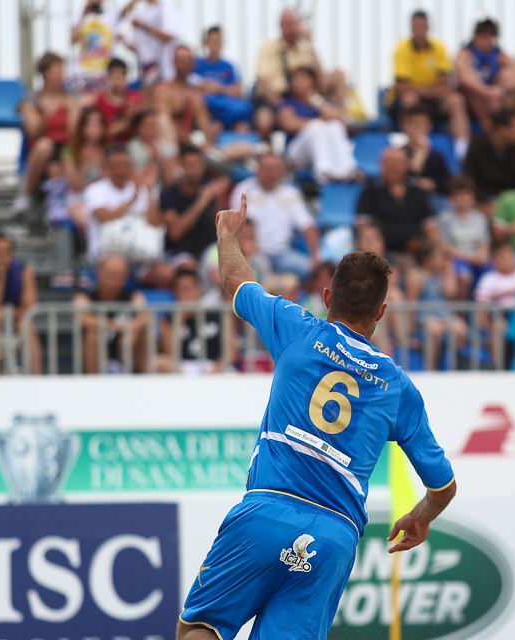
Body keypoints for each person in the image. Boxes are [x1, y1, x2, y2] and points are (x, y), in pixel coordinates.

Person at [177, 196, 456, 639]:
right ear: (381, 313)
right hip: (332, 537)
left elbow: (236, 279)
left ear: (327, 297)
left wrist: (227, 235)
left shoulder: (298, 330)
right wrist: (421, 516)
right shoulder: (398, 387)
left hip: (267, 509)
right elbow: (443, 486)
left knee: (202, 628)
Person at [83, 145, 169, 286]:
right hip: (107, 255)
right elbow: (104, 217)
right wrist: (133, 198)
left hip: (140, 256)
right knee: (117, 267)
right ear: (106, 167)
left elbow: (156, 223)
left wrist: (149, 190)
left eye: (125, 165)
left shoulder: (142, 188)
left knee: (166, 274)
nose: (121, 170)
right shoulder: (96, 189)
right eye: (116, 165)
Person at [390, 10, 470, 161]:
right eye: (416, 26)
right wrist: (431, 89)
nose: (419, 30)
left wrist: (417, 87)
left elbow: (443, 84)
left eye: (422, 26)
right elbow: (401, 87)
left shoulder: (439, 48)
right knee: (409, 99)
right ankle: (411, 147)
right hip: (415, 100)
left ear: (428, 28)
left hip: (433, 102)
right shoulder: (401, 49)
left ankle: (462, 151)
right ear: (411, 28)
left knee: (456, 100)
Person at [229, 154, 319, 278]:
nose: (271, 173)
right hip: (255, 253)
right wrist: (246, 249)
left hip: (283, 253)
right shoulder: (244, 190)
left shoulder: (291, 194)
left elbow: (308, 226)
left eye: (276, 168)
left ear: (282, 172)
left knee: (310, 269)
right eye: (267, 168)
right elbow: (233, 224)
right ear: (258, 170)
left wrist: (315, 256)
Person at [13, 52, 79, 213]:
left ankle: (61, 207)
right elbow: (34, 131)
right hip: (41, 150)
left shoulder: (71, 98)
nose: (62, 74)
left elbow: (74, 131)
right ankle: (25, 195)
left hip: (65, 148)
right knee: (45, 145)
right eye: (57, 69)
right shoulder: (31, 99)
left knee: (61, 162)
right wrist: (46, 116)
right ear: (45, 73)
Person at [254, 8, 348, 114]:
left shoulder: (305, 48)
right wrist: (280, 105)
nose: (292, 29)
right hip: (279, 97)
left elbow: (320, 79)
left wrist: (309, 43)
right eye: (288, 25)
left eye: (294, 24)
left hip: (304, 96)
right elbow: (263, 81)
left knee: (340, 74)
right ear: (281, 26)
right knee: (265, 118)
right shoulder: (269, 47)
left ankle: (342, 114)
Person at [0, 232, 41, 374]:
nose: (0, 257)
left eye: (4, 252)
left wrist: (7, 314)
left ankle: (35, 380)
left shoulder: (24, 271)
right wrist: (0, 278)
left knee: (28, 328)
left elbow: (31, 309)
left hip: (13, 321)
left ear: (11, 254)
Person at [73, 253, 150, 374]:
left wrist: (134, 328)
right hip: (96, 359)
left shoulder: (134, 296)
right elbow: (81, 317)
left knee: (143, 333)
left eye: (120, 274)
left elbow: (145, 317)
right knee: (93, 335)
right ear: (99, 273)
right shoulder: (85, 297)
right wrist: (114, 326)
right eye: (111, 273)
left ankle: (143, 378)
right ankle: (93, 381)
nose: (115, 278)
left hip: (129, 354)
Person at [280, 66, 357, 183]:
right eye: (294, 78)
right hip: (296, 152)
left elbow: (340, 118)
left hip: (321, 149)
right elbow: (289, 124)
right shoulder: (288, 102)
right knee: (316, 127)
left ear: (312, 81)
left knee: (335, 126)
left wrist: (313, 99)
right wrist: (318, 120)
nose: (298, 82)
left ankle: (346, 170)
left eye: (303, 77)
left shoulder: (320, 100)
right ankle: (324, 172)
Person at [157, 266, 237, 374]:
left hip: (213, 366)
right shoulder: (168, 320)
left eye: (188, 289)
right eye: (181, 290)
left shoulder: (218, 314)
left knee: (230, 372)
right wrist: (179, 320)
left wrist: (216, 368)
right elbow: (170, 354)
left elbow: (232, 353)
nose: (185, 294)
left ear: (199, 288)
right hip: (183, 368)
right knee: (161, 363)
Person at [356, 147, 434, 255]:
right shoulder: (370, 191)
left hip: (415, 251)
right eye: (390, 162)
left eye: (398, 162)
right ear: (382, 164)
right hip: (381, 251)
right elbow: (362, 224)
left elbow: (430, 224)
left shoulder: (417, 191)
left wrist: (431, 248)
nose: (394, 166)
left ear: (406, 165)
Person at [455, 16, 515, 132]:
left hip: (495, 99)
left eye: (491, 35)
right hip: (474, 102)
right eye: (483, 35)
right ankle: (488, 126)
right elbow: (463, 77)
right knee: (472, 84)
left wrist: (501, 89)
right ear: (476, 35)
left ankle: (507, 124)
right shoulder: (466, 53)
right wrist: (486, 92)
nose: (487, 39)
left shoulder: (499, 54)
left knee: (508, 76)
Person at [161, 144, 230, 262]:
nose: (195, 168)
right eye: (190, 164)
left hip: (209, 251)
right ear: (182, 167)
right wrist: (202, 201)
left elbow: (222, 229)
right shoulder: (170, 194)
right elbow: (175, 233)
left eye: (199, 164)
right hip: (180, 253)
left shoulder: (210, 188)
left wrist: (219, 198)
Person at [405, 242, 467, 370]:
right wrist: (409, 332)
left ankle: (454, 367)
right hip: (424, 318)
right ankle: (431, 369)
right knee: (434, 330)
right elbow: (411, 304)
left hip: (444, 316)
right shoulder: (416, 275)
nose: (444, 259)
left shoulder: (444, 273)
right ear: (427, 260)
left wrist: (449, 271)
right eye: (440, 256)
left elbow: (451, 292)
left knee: (460, 328)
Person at [462, 108, 515, 210]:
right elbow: (469, 178)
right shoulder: (478, 144)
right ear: (501, 128)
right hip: (481, 201)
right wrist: (483, 202)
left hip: (511, 202)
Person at [437, 177, 490, 298]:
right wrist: (471, 258)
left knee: (491, 276)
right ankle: (460, 307)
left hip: (477, 259)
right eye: (458, 195)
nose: (463, 199)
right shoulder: (444, 218)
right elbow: (445, 248)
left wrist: (481, 257)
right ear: (452, 198)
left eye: (466, 195)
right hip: (456, 260)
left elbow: (484, 244)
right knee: (464, 277)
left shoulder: (480, 218)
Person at [153, 45, 215, 147]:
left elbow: (204, 122)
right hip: (169, 144)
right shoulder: (163, 90)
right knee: (162, 120)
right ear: (174, 62)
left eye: (187, 60)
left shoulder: (196, 92)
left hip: (191, 144)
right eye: (181, 60)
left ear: (193, 64)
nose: (184, 64)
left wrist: (208, 144)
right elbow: (163, 122)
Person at [70, 0, 137, 92]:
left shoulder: (111, 16)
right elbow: (73, 39)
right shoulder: (78, 17)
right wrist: (84, 14)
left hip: (105, 74)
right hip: (83, 73)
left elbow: (127, 8)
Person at [194, 25, 250, 132]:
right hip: (208, 111)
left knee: (243, 124)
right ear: (206, 43)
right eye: (213, 41)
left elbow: (238, 90)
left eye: (219, 41)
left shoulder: (229, 66)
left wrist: (217, 88)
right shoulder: (196, 64)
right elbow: (193, 86)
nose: (216, 45)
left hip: (229, 109)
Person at [61, 106, 108, 233]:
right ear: (82, 127)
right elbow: (75, 185)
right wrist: (85, 165)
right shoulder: (69, 150)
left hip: (103, 198)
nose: (94, 128)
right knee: (88, 220)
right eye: (90, 124)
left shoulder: (108, 151)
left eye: (98, 124)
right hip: (79, 198)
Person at [90, 57, 145, 144]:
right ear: (108, 78)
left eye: (121, 76)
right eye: (115, 77)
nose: (118, 81)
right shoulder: (98, 100)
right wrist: (127, 121)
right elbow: (101, 133)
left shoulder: (135, 98)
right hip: (107, 146)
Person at [399, 105, 451, 194]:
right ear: (405, 126)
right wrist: (415, 164)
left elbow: (446, 182)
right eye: (416, 124)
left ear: (430, 127)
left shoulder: (436, 156)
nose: (420, 128)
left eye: (424, 124)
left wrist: (433, 184)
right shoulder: (399, 154)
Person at [128, 0, 183, 82]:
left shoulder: (168, 7)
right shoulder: (141, 13)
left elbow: (170, 36)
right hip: (147, 67)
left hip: (166, 68)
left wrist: (144, 26)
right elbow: (137, 48)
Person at [126, 107, 178, 184]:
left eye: (155, 124)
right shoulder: (130, 148)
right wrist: (153, 159)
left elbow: (170, 179)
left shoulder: (164, 146)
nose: (153, 128)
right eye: (150, 124)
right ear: (138, 128)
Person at [474, 242, 515, 306]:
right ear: (494, 261)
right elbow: (482, 301)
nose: (506, 261)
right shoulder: (488, 278)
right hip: (496, 311)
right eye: (502, 258)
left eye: (509, 257)